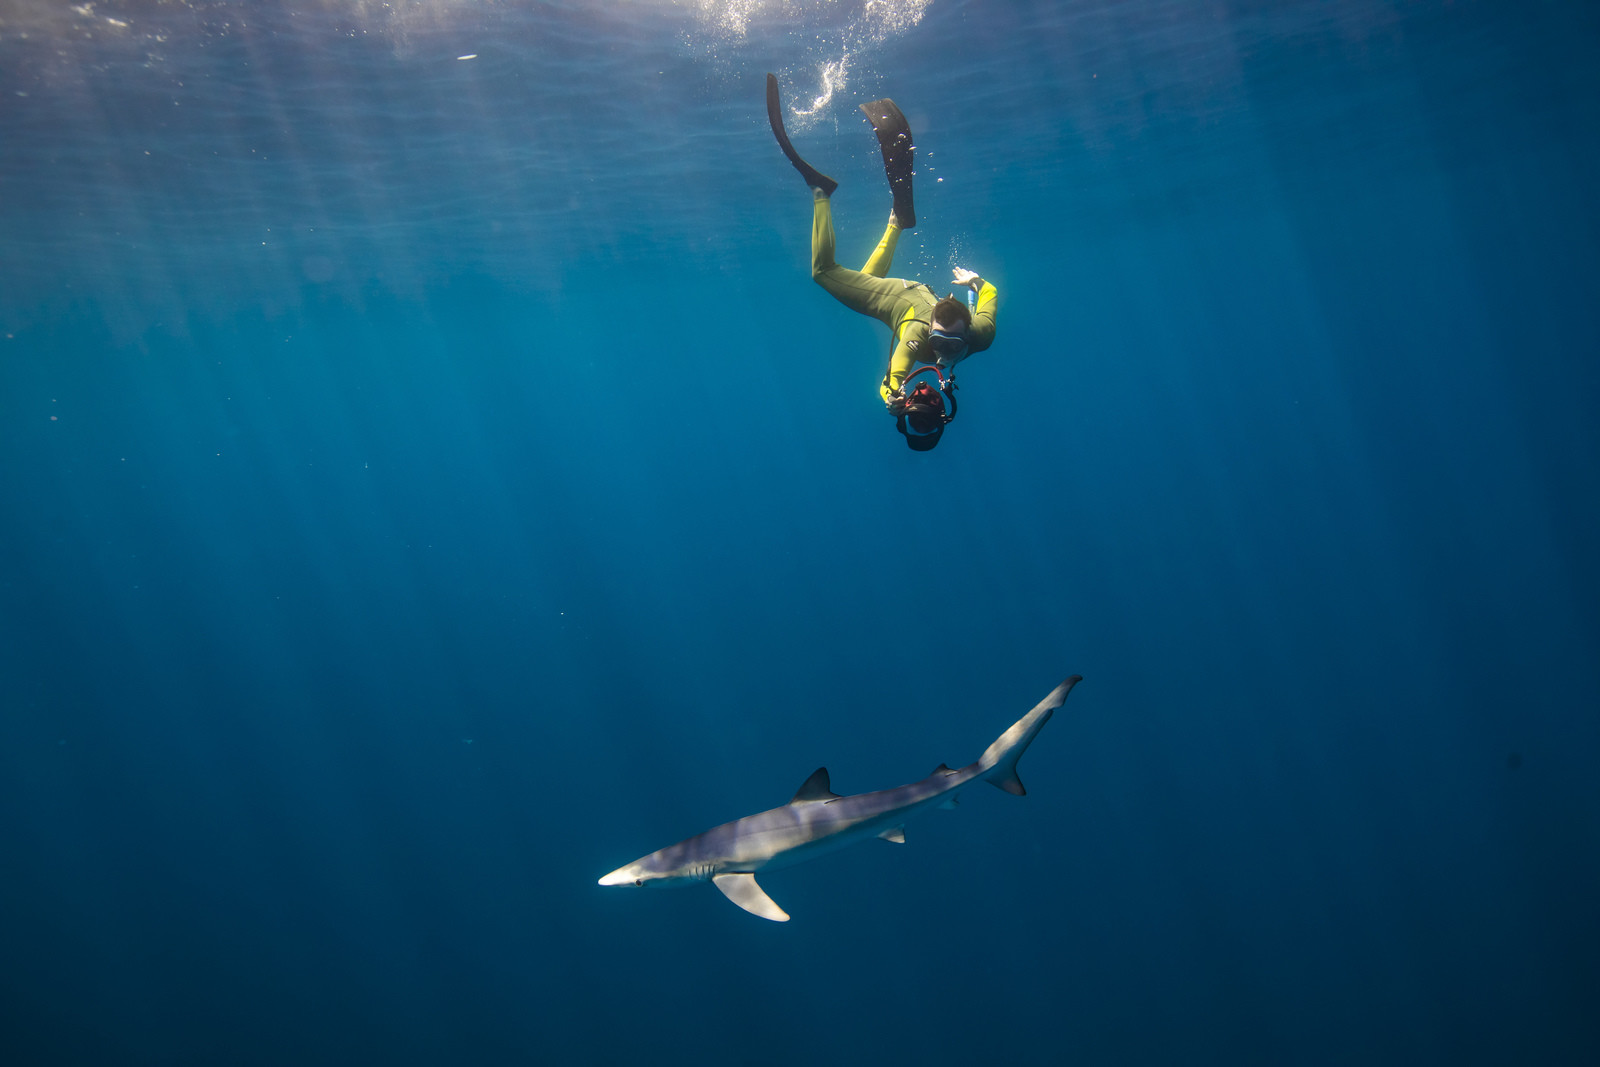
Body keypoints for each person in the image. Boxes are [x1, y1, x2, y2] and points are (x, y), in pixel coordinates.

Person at [766, 74, 998, 451]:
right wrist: (975, 281)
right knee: (823, 273)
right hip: (899, 298)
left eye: (948, 344)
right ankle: (821, 190)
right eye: (939, 340)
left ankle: (896, 223)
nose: (942, 350)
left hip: (913, 297)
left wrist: (888, 397)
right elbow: (988, 293)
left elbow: (892, 379)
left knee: (863, 280)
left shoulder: (969, 335)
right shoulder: (953, 336)